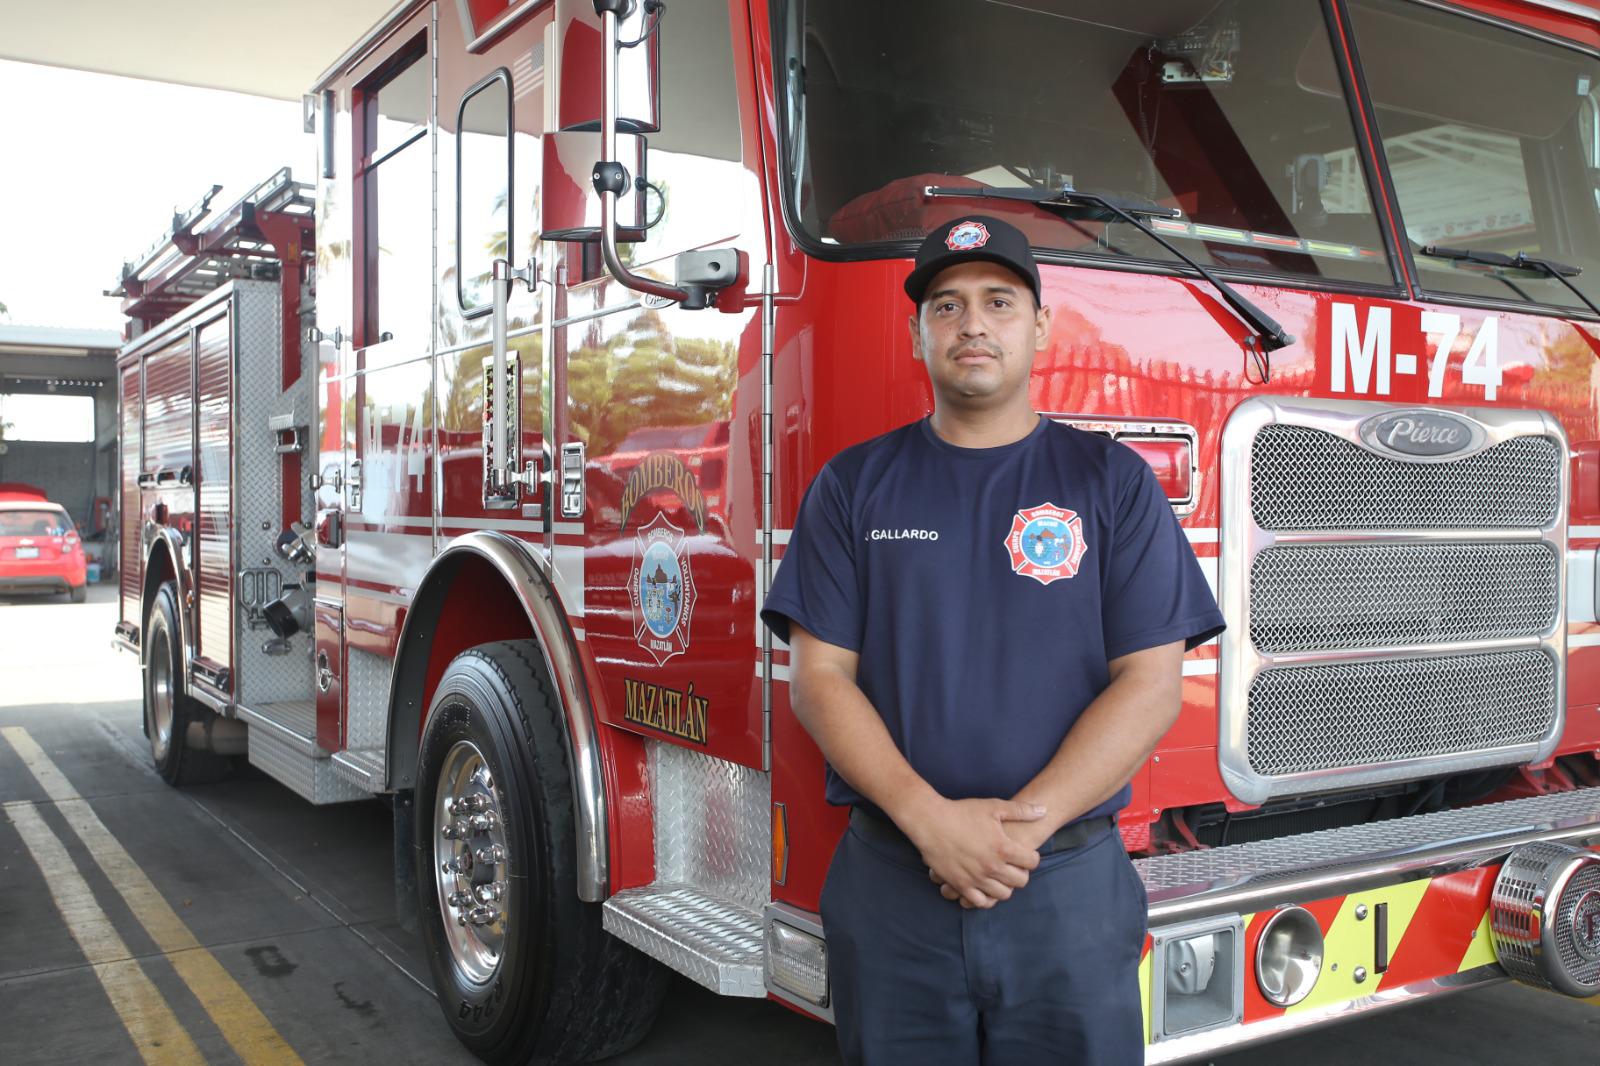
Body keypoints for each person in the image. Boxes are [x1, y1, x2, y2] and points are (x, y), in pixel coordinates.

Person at [760, 215, 1226, 1065]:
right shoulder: (853, 487)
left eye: (999, 301)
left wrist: (1015, 834)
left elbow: (1151, 683)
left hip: (1065, 891)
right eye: (947, 305)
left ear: (1040, 327)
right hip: (897, 888)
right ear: (917, 334)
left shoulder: (1111, 484)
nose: (972, 323)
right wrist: (931, 823)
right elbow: (818, 679)